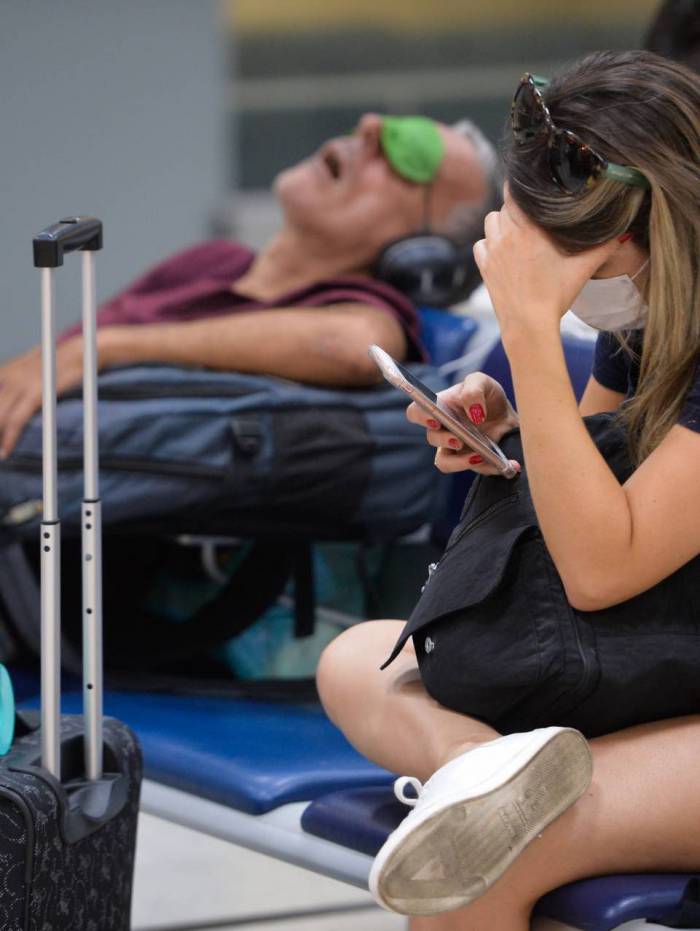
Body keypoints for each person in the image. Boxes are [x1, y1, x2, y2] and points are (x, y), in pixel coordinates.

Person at [317, 49, 700, 930]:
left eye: (573, 269)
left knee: (487, 855)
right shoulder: (652, 315)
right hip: (654, 666)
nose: (573, 300)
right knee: (353, 660)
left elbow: (601, 570)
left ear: (646, 232)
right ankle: (479, 765)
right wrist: (513, 435)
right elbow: (602, 491)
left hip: (669, 677)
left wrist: (527, 334)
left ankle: (494, 791)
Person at [0, 113, 499, 459]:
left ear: (423, 252)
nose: (369, 126)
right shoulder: (210, 262)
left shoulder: (365, 308)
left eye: (410, 152)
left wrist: (106, 348)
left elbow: (352, 347)